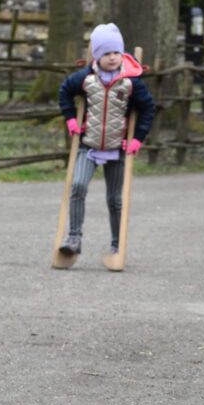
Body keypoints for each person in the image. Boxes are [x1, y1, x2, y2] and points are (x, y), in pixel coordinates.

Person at [58, 23, 155, 256]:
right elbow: (65, 92)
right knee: (78, 186)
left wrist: (138, 139)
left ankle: (116, 244)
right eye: (107, 54)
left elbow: (148, 108)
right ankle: (74, 238)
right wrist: (71, 119)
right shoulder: (85, 78)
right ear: (97, 55)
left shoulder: (132, 82)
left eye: (116, 53)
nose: (112, 58)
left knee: (114, 199)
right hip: (88, 144)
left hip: (117, 147)